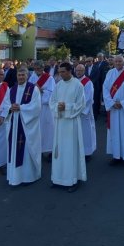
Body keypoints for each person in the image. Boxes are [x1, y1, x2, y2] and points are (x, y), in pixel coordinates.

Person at [49, 62, 86, 192]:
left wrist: (67, 107)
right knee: (59, 151)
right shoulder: (58, 85)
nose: (61, 74)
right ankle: (57, 178)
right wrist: (57, 107)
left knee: (71, 152)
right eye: (59, 72)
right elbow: (51, 101)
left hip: (71, 123)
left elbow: (81, 104)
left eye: (63, 72)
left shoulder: (78, 85)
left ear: (70, 71)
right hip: (60, 123)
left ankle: (72, 180)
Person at [6, 67, 41, 186]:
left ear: (27, 76)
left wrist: (21, 108)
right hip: (14, 125)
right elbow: (5, 105)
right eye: (19, 75)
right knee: (14, 149)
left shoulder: (33, 89)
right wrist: (10, 108)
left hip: (26, 126)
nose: (21, 77)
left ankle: (28, 176)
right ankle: (14, 176)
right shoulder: (12, 89)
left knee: (26, 150)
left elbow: (36, 107)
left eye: (23, 75)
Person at [29, 60, 55, 159]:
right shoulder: (33, 76)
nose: (37, 71)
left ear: (43, 68)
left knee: (47, 129)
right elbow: (29, 89)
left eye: (39, 69)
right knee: (37, 129)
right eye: (35, 69)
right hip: (35, 107)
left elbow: (52, 93)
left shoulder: (49, 78)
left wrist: (41, 91)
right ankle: (37, 150)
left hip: (45, 108)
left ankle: (49, 151)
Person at [75, 64, 96, 159]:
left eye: (80, 70)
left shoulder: (88, 82)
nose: (78, 72)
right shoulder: (74, 81)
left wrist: (79, 108)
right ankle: (78, 151)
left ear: (84, 71)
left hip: (84, 111)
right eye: (77, 70)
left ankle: (88, 152)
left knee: (86, 132)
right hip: (75, 110)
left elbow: (88, 97)